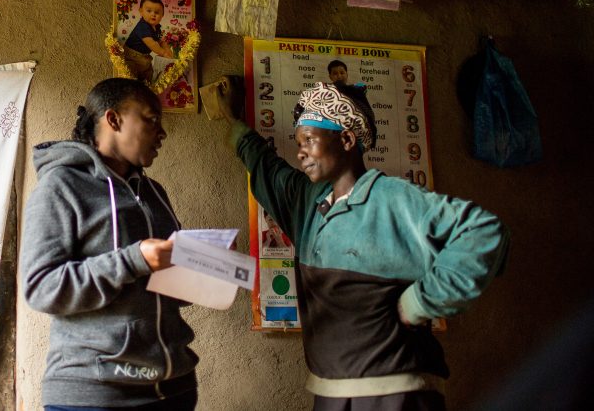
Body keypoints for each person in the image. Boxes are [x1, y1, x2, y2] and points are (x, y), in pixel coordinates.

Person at [217, 80, 508, 411]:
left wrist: (421, 301)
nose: (300, 152)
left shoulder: (393, 199)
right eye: (298, 143)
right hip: (331, 390)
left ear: (346, 139)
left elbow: (482, 230)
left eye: (310, 140)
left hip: (397, 392)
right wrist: (233, 120)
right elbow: (265, 167)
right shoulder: (307, 203)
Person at [21, 78, 199, 410]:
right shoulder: (61, 187)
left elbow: (163, 290)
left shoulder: (154, 193)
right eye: (151, 119)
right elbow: (40, 288)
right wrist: (135, 260)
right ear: (113, 120)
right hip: (96, 392)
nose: (162, 132)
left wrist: (204, 268)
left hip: (173, 388)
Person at [123, 0, 175, 82]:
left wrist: (167, 48)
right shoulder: (143, 26)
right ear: (141, 11)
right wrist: (163, 53)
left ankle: (149, 85)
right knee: (133, 75)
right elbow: (152, 44)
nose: (153, 14)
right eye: (149, 11)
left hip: (144, 56)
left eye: (157, 12)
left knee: (148, 73)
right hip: (132, 56)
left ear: (162, 15)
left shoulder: (157, 27)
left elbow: (160, 41)